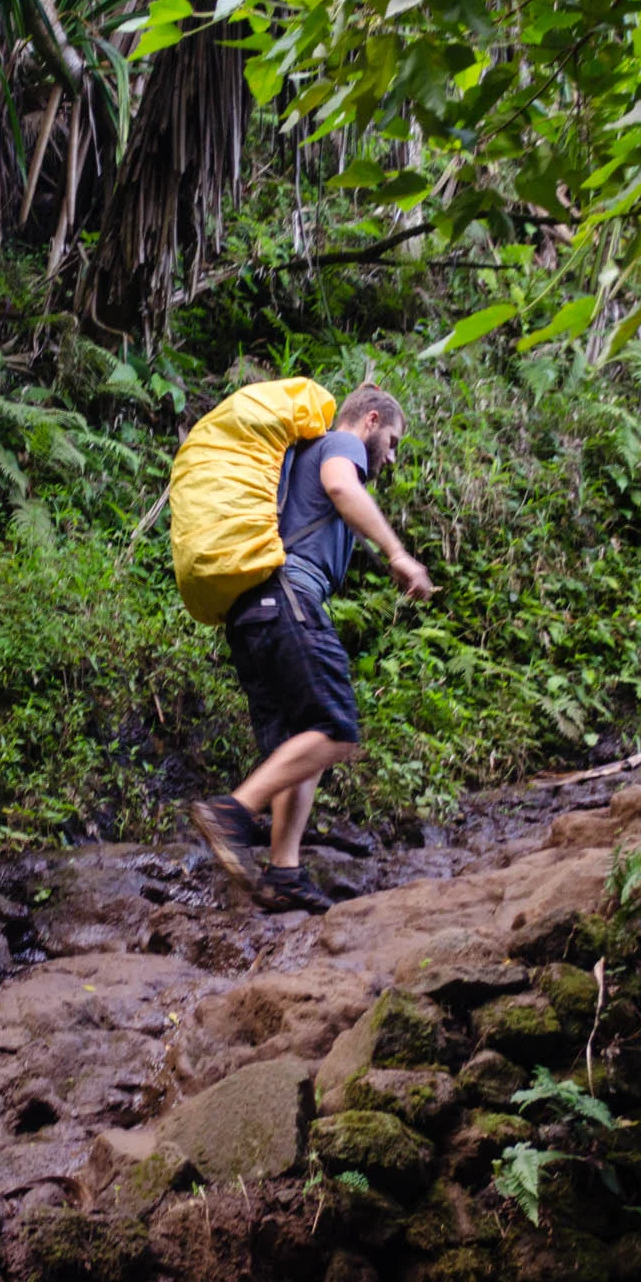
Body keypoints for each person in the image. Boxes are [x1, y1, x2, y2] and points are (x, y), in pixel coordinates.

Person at [189, 383, 435, 913]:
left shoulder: (296, 459)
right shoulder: (339, 445)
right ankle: (231, 813)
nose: (390, 458)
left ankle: (285, 873)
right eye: (391, 442)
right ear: (370, 420)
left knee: (302, 747)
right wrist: (397, 553)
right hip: (286, 597)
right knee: (335, 729)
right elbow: (343, 490)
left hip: (250, 612)